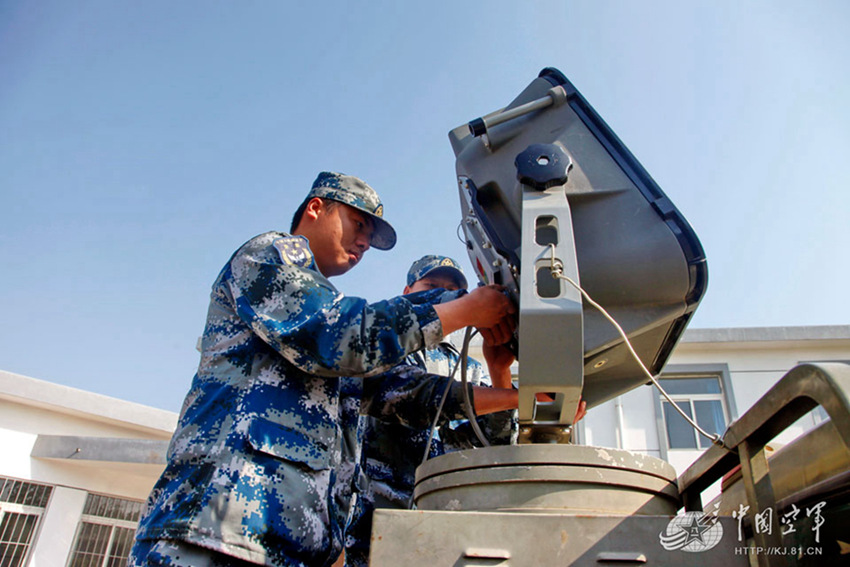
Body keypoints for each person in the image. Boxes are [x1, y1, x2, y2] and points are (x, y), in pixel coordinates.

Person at [127, 172, 515, 567]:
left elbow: (404, 393)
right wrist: (464, 308)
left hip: (287, 550)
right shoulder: (269, 254)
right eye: (358, 223)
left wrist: (520, 395)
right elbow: (341, 334)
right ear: (316, 208)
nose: (364, 242)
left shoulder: (330, 309)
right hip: (215, 536)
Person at [340, 255, 520, 567]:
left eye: (453, 289)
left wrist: (499, 371)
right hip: (375, 526)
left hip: (448, 529)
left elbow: (492, 448)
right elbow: (410, 399)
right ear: (408, 292)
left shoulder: (469, 368)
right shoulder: (382, 350)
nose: (444, 293)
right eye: (432, 286)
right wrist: (516, 398)